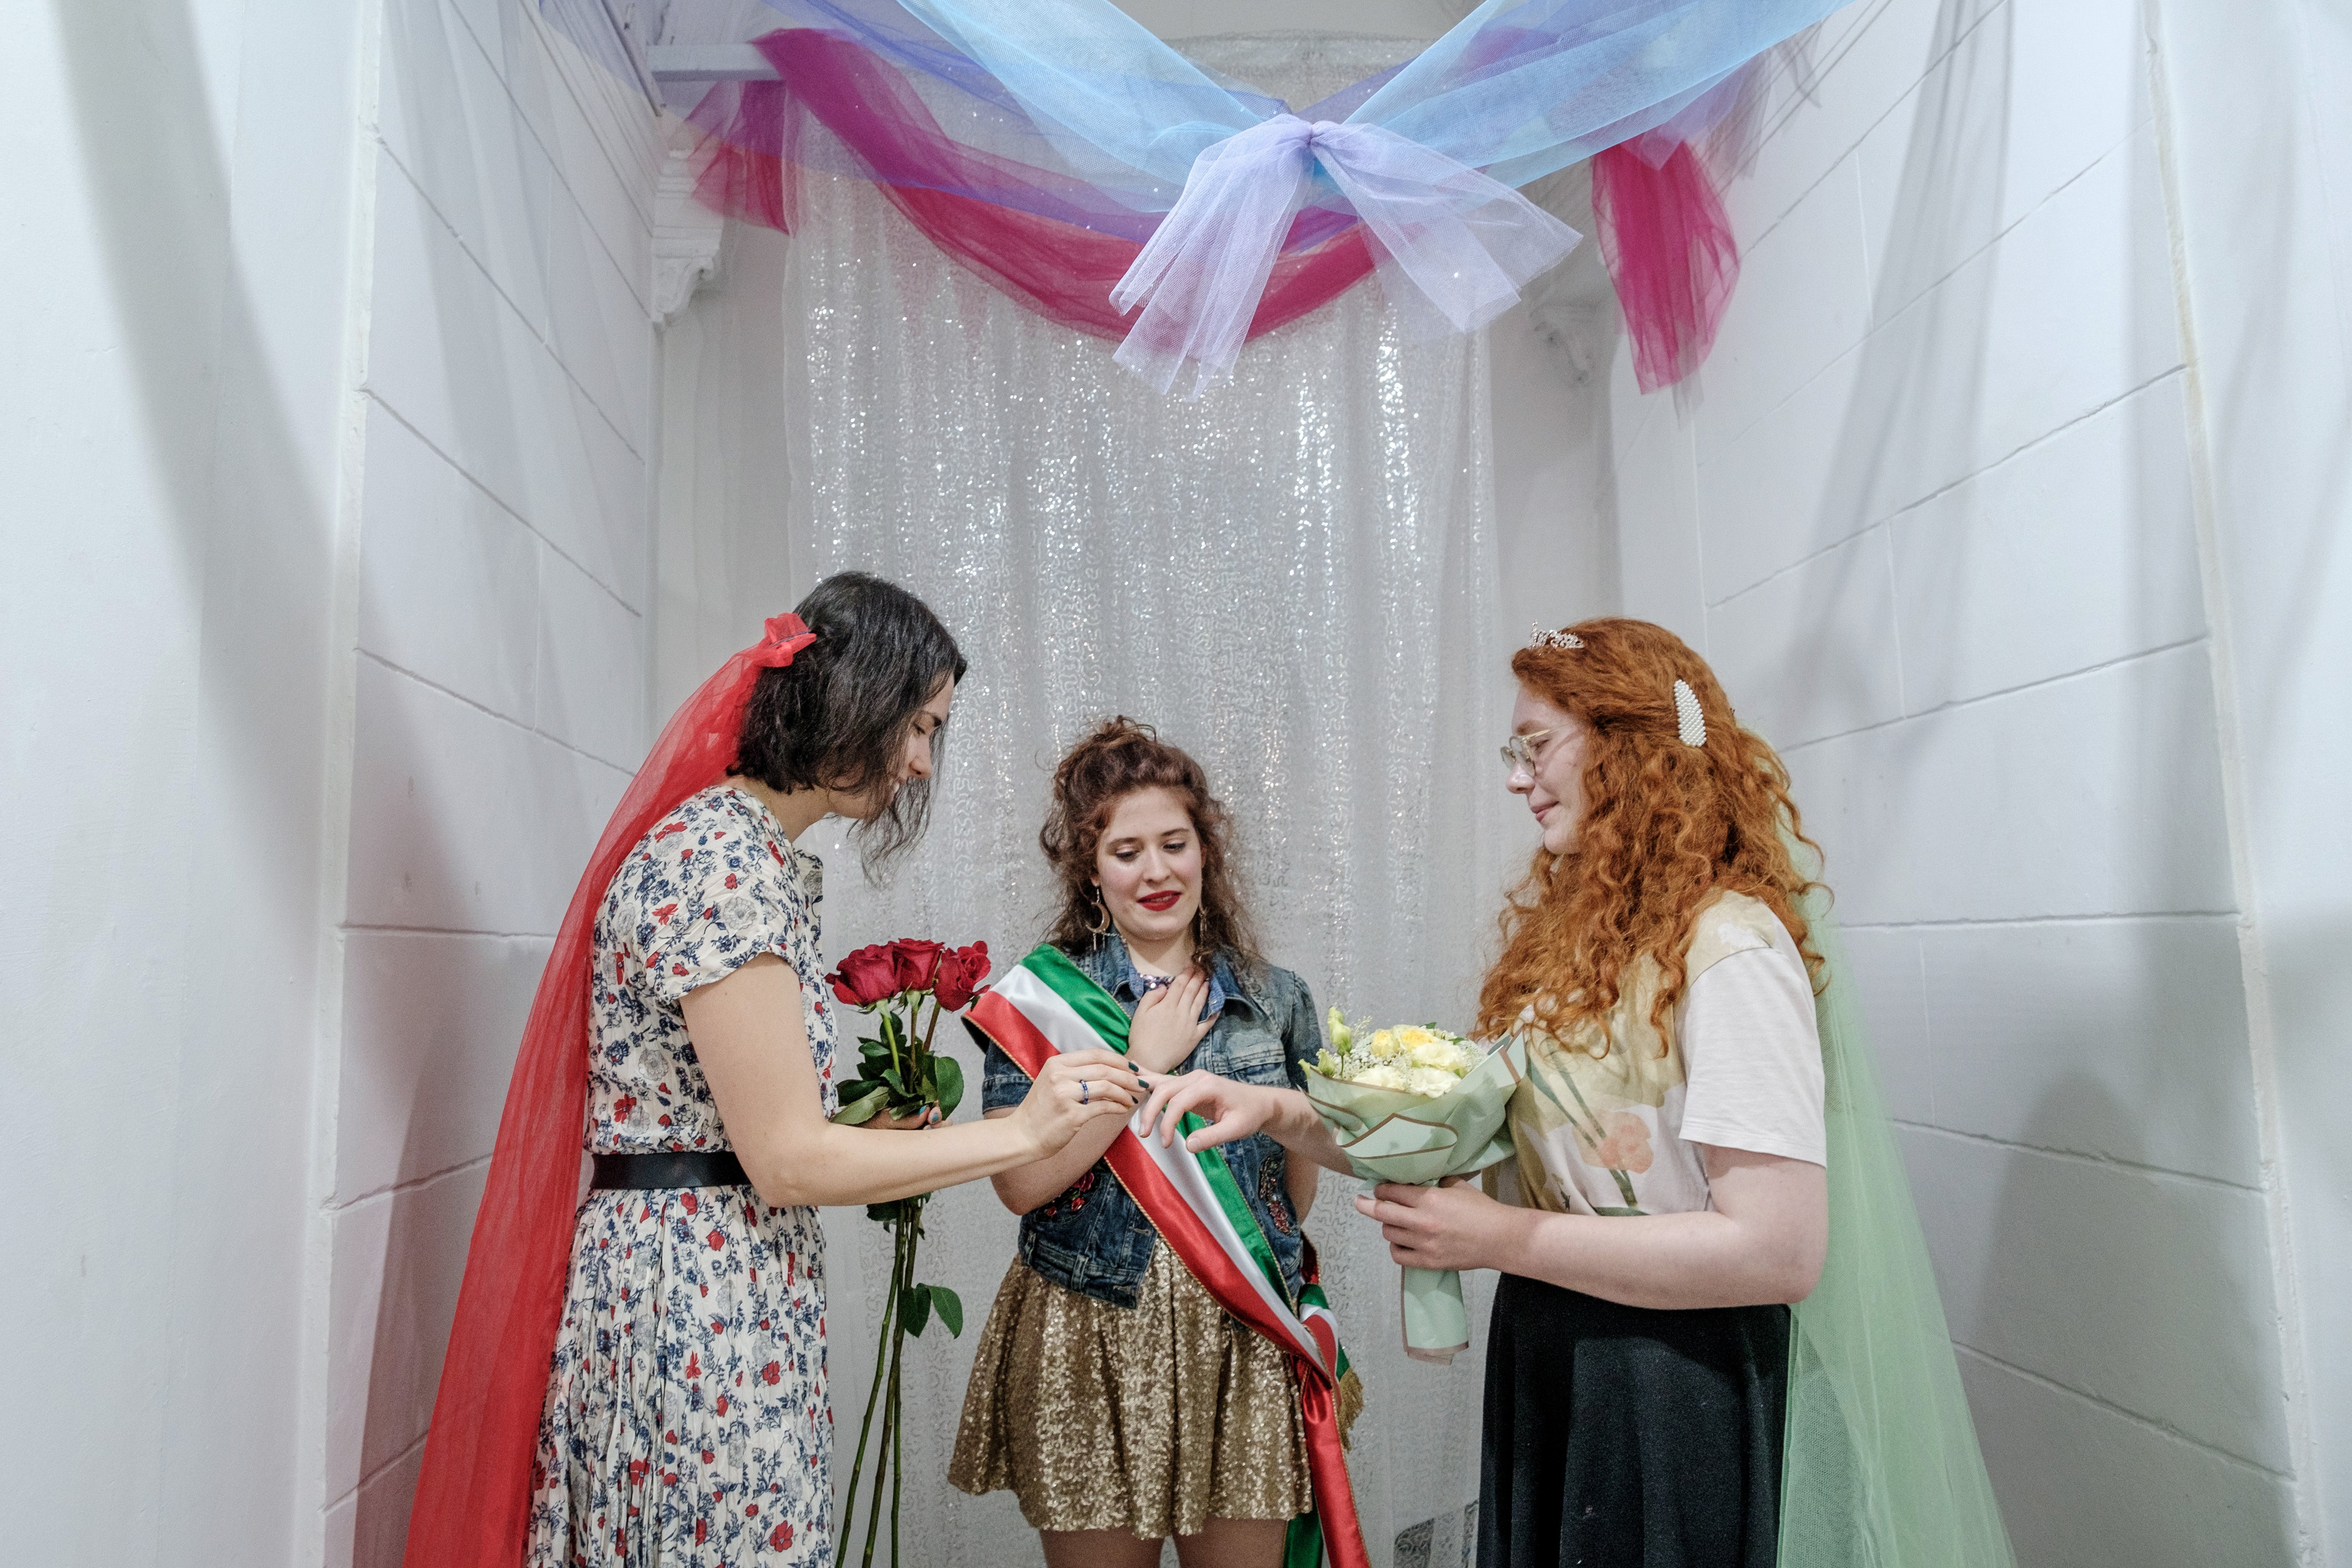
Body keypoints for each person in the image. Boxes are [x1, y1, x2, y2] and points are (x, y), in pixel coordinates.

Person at [403, 574, 1141, 1568]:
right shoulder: (723, 863)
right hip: (691, 1292)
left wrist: (860, 1138)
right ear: (857, 701)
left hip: (720, 1268)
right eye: (920, 727)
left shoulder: (752, 855)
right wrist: (1024, 1132)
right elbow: (788, 1161)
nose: (923, 765)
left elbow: (726, 1122)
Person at [1137, 619, 1834, 1568]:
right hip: (1553, 1338)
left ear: (1629, 746)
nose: (1516, 780)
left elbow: (1778, 1253)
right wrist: (1280, 1112)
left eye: (1534, 747)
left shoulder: (1730, 948)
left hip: (1670, 1381)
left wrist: (1502, 1241)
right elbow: (1457, 1138)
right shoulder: (1583, 949)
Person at [948, 718, 1336, 1568]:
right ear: (1091, 871)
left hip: (1240, 1332)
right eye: (1127, 852)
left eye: (1175, 843)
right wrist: (1136, 1067)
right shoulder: (1038, 1003)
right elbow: (1020, 1187)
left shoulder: (1278, 1000)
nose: (1157, 871)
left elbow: (1291, 1198)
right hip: (1089, 1326)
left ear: (1206, 851)